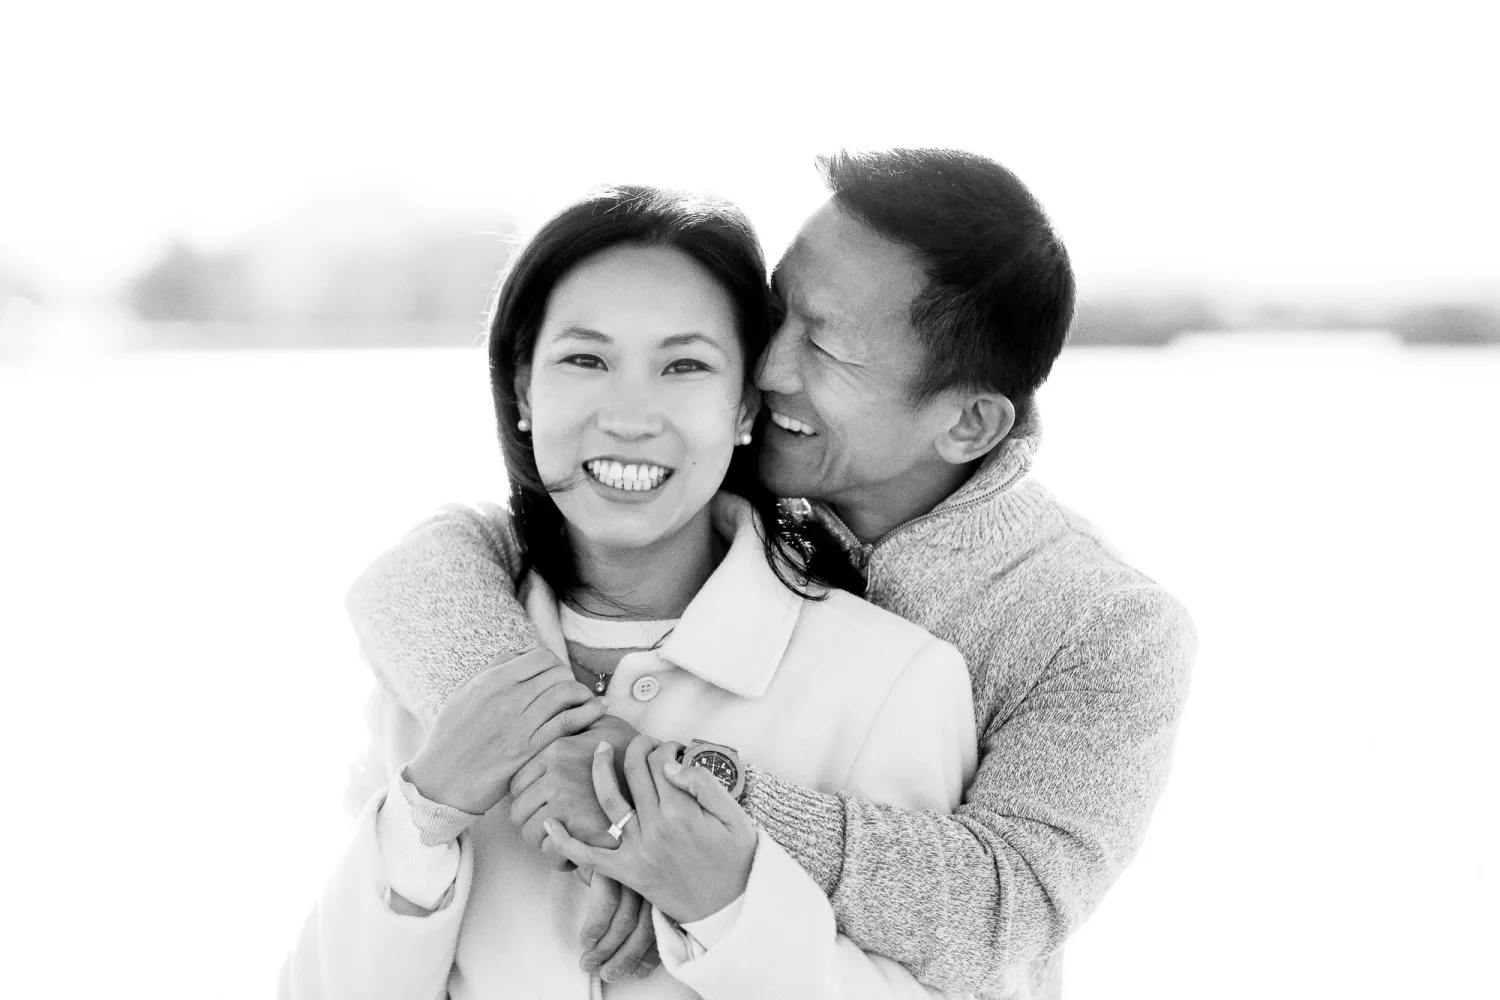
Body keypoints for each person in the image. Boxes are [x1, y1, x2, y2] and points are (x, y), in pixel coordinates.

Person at [345, 149, 1196, 999]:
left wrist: (665, 800)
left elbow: (1000, 914)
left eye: (824, 346)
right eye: (777, 310)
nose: (768, 363)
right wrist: (553, 758)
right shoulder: (733, 459)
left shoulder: (1100, 625)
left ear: (969, 423)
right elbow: (419, 574)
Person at [281, 185, 980, 998]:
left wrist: (723, 903)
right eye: (585, 360)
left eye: (684, 366)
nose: (629, 415)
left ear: (746, 405)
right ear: (521, 391)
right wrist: (426, 812)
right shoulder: (440, 669)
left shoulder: (892, 682)